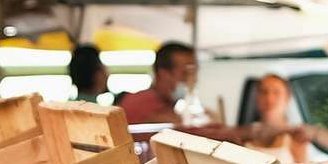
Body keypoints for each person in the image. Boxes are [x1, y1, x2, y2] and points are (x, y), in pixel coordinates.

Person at [115, 42, 278, 147]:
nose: (192, 80)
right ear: (164, 74)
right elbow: (188, 132)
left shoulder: (175, 106)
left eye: (194, 72)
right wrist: (242, 132)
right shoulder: (141, 103)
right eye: (187, 72)